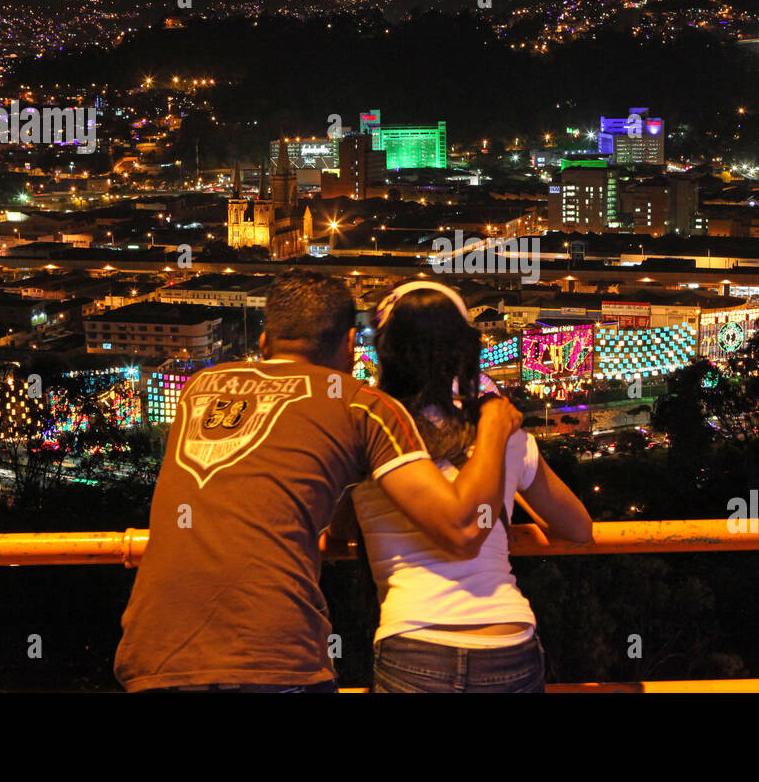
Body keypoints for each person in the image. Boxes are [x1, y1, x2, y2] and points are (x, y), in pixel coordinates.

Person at [113, 269, 522, 692]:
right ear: (348, 345)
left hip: (153, 658)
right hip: (276, 660)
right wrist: (493, 422)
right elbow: (461, 529)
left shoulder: (199, 389)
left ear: (264, 343)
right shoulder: (363, 407)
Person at [352, 281, 593, 692]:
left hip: (414, 642)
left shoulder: (363, 434)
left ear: (383, 351)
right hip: (508, 643)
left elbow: (339, 529)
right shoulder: (499, 431)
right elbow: (579, 529)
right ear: (464, 350)